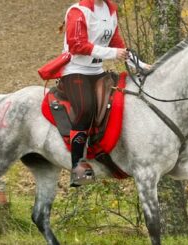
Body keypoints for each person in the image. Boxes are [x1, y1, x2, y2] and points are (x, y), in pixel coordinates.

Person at [55, 0, 128, 187]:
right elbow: (77, 45)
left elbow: (118, 44)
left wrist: (142, 66)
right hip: (75, 71)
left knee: (120, 100)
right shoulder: (78, 11)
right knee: (85, 109)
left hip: (97, 72)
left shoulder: (111, 11)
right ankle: (77, 167)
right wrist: (113, 53)